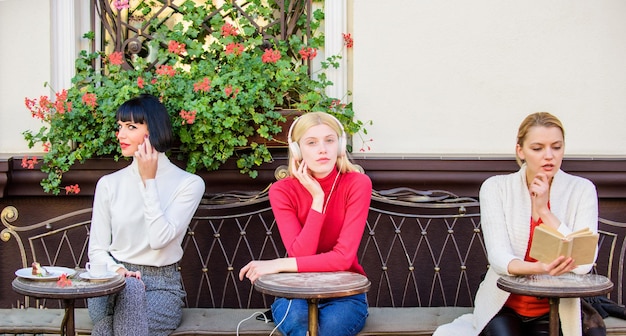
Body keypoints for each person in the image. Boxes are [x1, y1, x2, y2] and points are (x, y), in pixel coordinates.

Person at [434, 112, 598, 336]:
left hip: (558, 306)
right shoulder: (496, 188)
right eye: (538, 148)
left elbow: (582, 264)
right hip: (505, 304)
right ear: (520, 151)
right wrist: (541, 269)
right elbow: (499, 258)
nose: (548, 156)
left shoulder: (582, 189)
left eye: (556, 147)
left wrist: (544, 211)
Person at [239, 112, 372, 336]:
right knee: (302, 330)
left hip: (345, 294)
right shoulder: (282, 191)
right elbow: (301, 252)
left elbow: (343, 258)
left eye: (330, 140)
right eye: (312, 143)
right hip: (295, 294)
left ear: (339, 146)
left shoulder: (357, 184)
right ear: (297, 150)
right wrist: (317, 200)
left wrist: (278, 264)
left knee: (327, 332)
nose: (323, 149)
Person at [87, 94, 205, 336]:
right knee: (128, 291)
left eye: (131, 127)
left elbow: (159, 240)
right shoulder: (109, 184)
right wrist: (119, 272)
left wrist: (148, 181)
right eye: (120, 127)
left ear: (154, 130)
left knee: (108, 329)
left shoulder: (189, 184)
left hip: (160, 288)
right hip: (111, 282)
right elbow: (97, 250)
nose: (121, 135)